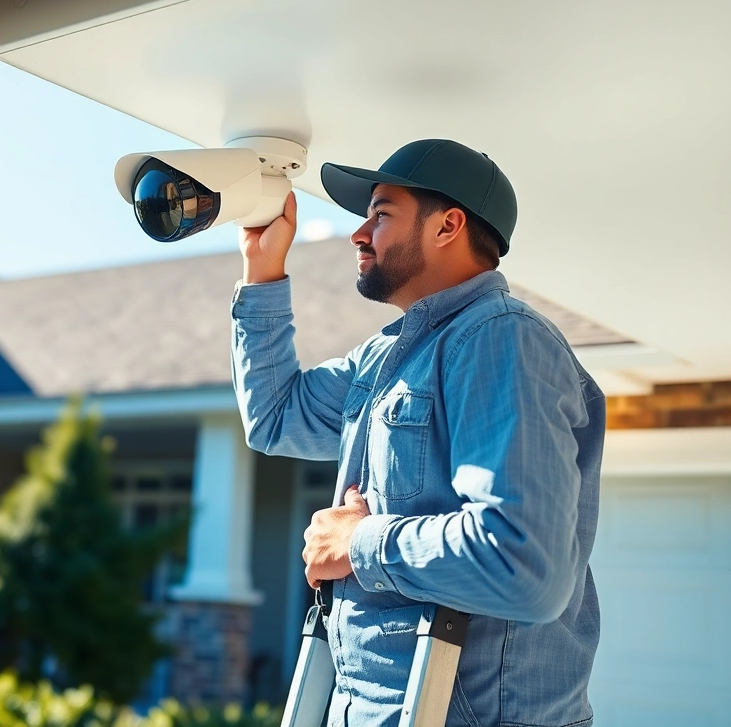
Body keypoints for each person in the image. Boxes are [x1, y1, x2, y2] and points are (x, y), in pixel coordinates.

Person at [231, 139, 604, 727]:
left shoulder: (502, 338)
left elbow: (524, 566)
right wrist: (263, 269)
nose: (359, 234)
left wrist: (358, 542)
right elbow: (275, 416)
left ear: (448, 226)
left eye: (381, 214)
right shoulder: (387, 356)